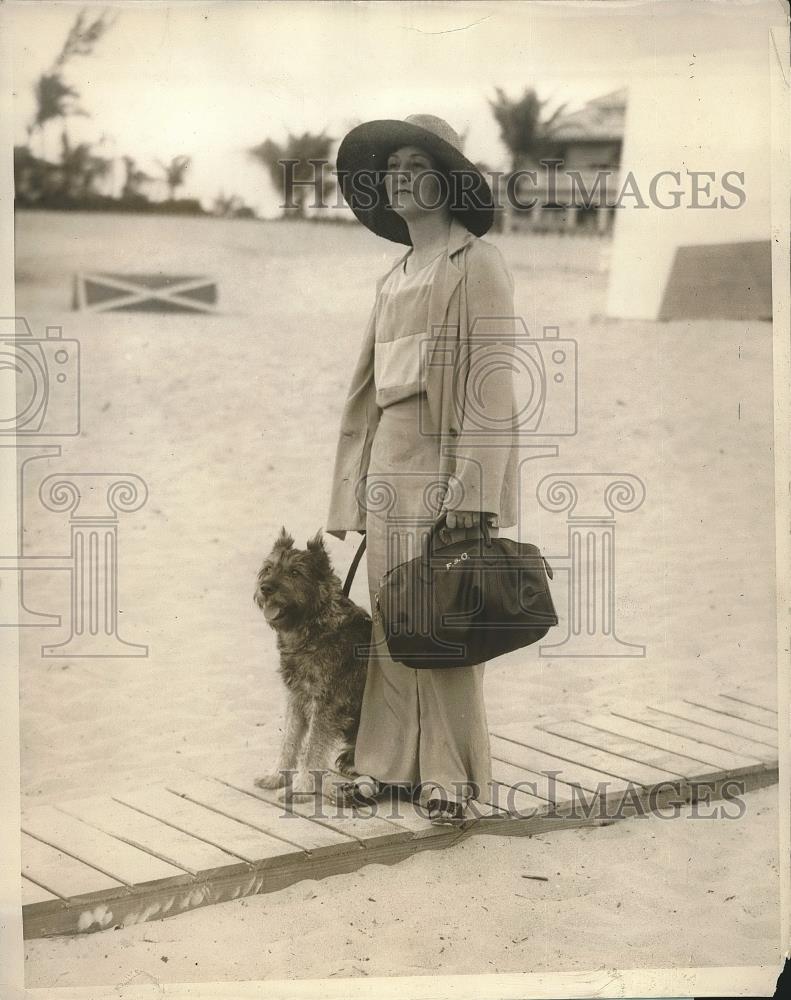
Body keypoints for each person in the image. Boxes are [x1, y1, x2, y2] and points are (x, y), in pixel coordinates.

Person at [325, 114, 519, 824]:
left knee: (440, 610)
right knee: (389, 611)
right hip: (388, 456)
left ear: (447, 178)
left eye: (414, 163)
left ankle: (446, 772)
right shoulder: (393, 275)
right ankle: (382, 763)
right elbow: (366, 390)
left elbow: (491, 386)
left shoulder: (476, 263)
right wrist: (353, 489)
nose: (398, 176)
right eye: (390, 167)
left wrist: (470, 488)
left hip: (443, 454)